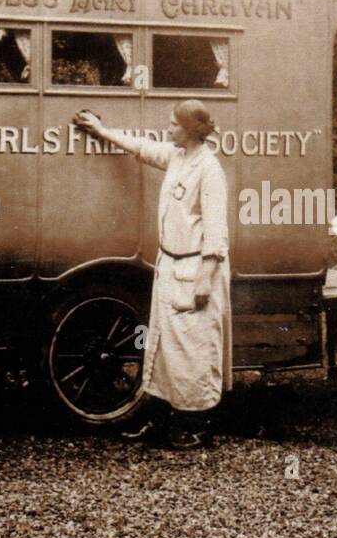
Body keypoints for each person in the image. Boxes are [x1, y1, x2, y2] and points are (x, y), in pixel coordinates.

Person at [73, 101, 232, 447]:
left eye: (174, 124)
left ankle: (197, 426)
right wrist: (100, 131)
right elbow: (142, 148)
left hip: (196, 268)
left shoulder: (209, 169)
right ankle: (159, 420)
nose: (168, 128)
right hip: (170, 265)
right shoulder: (177, 157)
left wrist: (206, 276)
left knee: (194, 350)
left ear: (191, 130)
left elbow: (216, 228)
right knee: (160, 348)